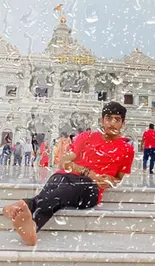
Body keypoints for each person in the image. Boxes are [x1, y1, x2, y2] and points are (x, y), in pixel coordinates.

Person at [3, 101, 134, 246]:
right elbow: (65, 162)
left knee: (62, 192)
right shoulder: (87, 136)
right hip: (65, 176)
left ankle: (26, 208)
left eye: (117, 119)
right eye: (108, 118)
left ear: (123, 123)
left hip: (91, 188)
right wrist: (88, 172)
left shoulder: (127, 149)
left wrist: (109, 180)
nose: (112, 123)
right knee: (58, 186)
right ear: (102, 120)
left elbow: (118, 178)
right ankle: (31, 224)